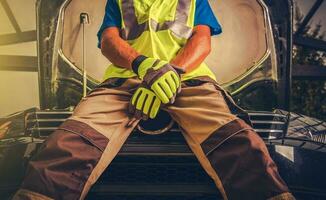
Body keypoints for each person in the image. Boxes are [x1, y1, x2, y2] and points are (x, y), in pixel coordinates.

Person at [13, 0, 295, 199]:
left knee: (236, 140)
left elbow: (202, 40)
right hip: (124, 84)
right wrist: (144, 66)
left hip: (189, 81)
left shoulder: (194, 1)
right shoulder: (120, 1)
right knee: (72, 139)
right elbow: (109, 42)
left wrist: (170, 72)